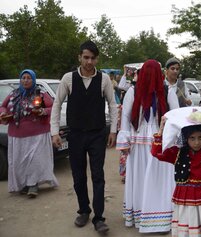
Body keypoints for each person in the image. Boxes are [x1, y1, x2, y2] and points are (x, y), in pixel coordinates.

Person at [50, 40, 118, 233]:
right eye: (86, 57)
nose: (89, 62)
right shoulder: (68, 79)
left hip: (97, 134)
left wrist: (113, 130)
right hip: (76, 134)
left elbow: (113, 106)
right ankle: (84, 210)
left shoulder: (104, 79)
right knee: (78, 176)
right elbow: (57, 105)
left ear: (97, 59)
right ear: (79, 57)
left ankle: (99, 218)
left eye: (93, 58)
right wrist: (54, 132)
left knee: (98, 176)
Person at [151, 107, 201, 237]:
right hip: (186, 196)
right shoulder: (178, 153)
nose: (197, 142)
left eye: (200, 137)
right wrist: (161, 130)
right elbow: (157, 153)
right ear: (185, 138)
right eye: (192, 138)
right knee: (189, 221)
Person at [116, 59, 175, 233]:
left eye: (154, 72)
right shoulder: (133, 91)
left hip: (160, 143)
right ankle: (142, 215)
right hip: (138, 142)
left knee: (159, 180)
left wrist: (173, 140)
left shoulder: (167, 91)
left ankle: (161, 218)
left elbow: (175, 116)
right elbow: (126, 117)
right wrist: (125, 140)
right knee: (141, 179)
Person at [0, 69, 58, 198]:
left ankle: (33, 185)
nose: (25, 80)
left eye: (28, 78)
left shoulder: (41, 94)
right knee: (20, 162)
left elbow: (52, 107)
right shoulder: (13, 94)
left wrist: (42, 111)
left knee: (34, 161)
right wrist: (3, 114)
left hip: (37, 134)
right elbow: (3, 106)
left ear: (33, 80)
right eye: (23, 78)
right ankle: (25, 184)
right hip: (17, 135)